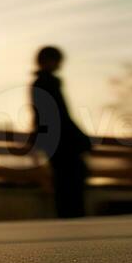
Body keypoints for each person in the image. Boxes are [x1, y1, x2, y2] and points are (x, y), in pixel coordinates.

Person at [30, 46, 93, 218]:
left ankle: (68, 217)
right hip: (64, 141)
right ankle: (74, 217)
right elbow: (60, 114)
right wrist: (82, 140)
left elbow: (41, 115)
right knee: (72, 180)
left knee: (63, 181)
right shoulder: (49, 82)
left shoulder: (39, 83)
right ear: (52, 61)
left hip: (53, 140)